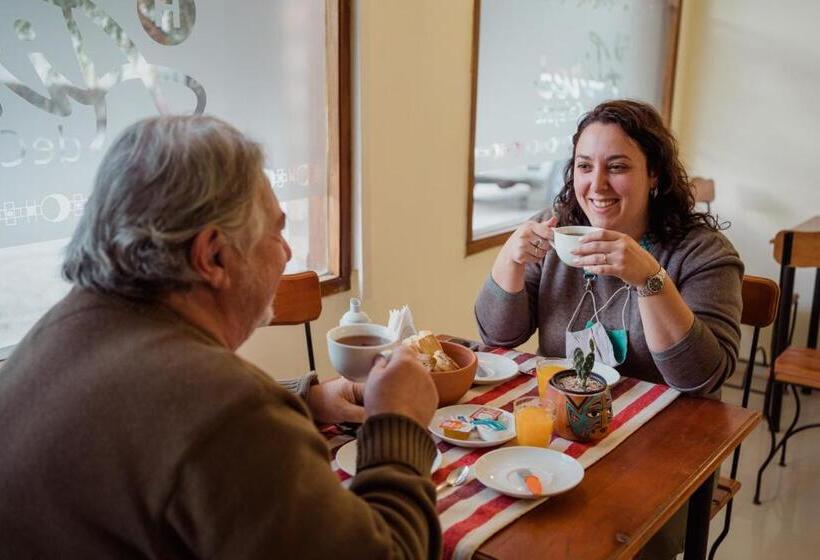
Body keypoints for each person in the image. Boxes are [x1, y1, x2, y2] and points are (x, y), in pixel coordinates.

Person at [0, 116, 442, 559]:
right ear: (212, 255)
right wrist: (398, 423)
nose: (287, 253)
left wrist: (302, 401)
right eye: (276, 230)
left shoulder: (50, 337)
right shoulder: (229, 412)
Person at [475, 99, 743, 558]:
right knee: (494, 530)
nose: (596, 185)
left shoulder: (701, 253)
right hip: (562, 438)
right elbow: (500, 337)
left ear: (654, 174)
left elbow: (700, 377)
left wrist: (650, 280)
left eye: (616, 167)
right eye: (584, 166)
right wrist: (509, 260)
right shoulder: (561, 232)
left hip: (659, 459)